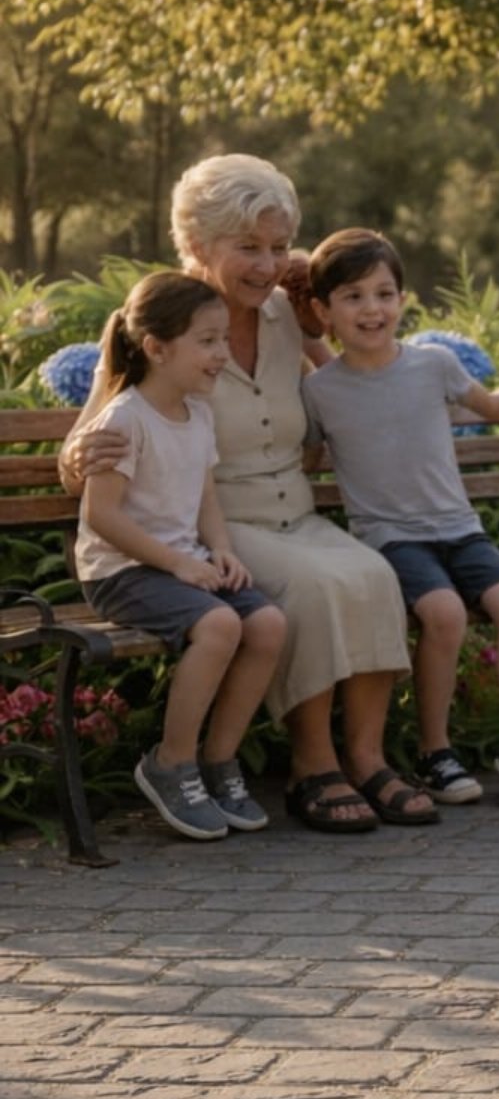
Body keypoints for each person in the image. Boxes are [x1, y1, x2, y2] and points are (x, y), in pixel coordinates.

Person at [61, 154, 436, 832]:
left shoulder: (285, 316)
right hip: (221, 525)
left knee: (374, 576)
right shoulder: (164, 323)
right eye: (248, 248)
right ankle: (312, 767)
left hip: (295, 509)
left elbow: (349, 369)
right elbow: (91, 436)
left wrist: (305, 272)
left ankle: (368, 756)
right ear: (198, 247)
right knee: (315, 588)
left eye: (278, 247)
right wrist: (78, 453)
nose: (266, 265)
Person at [302, 227, 499, 805]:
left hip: (459, 528)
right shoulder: (321, 392)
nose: (373, 309)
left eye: (385, 293)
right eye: (354, 296)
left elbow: (489, 406)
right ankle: (435, 752)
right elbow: (303, 459)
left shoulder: (433, 364)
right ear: (323, 311)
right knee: (443, 613)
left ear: (403, 300)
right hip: (392, 539)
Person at [75, 272, 287, 841]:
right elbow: (103, 516)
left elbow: (206, 497)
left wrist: (219, 551)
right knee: (218, 625)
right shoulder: (124, 419)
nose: (223, 353)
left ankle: (218, 761)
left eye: (224, 339)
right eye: (209, 341)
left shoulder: (198, 413)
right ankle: (171, 763)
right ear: (157, 348)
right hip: (121, 571)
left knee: (265, 624)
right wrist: (177, 564)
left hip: (182, 564)